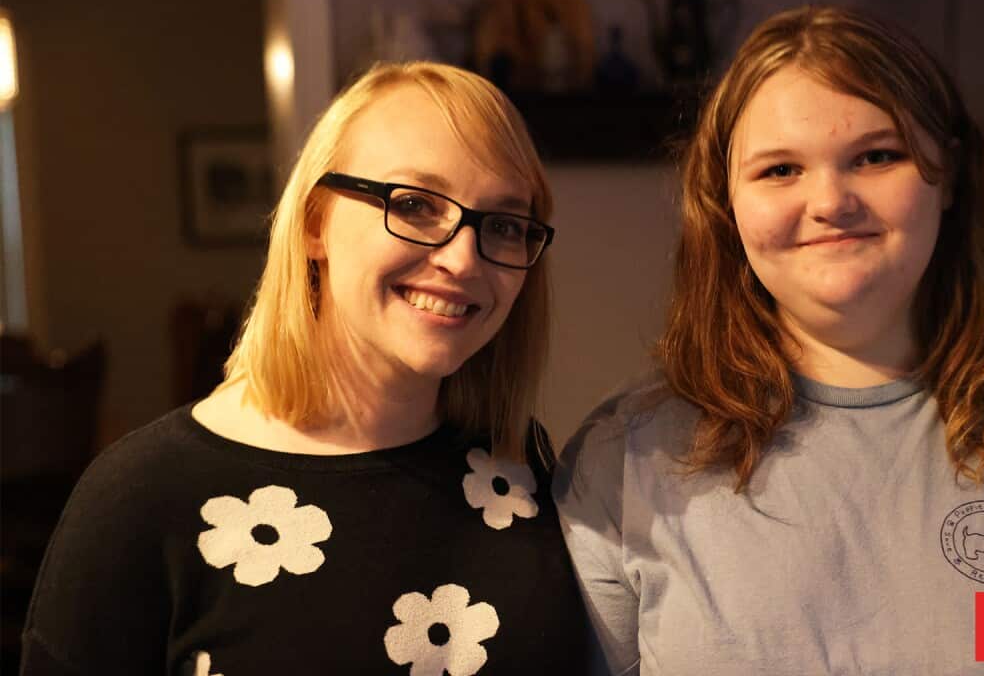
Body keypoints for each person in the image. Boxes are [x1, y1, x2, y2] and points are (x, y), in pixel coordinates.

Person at [555, 6, 984, 675]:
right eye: (779, 169)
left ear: (948, 176)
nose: (829, 201)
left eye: (876, 156)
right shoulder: (628, 455)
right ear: (724, 201)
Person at [23, 62, 589, 675]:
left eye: (504, 225)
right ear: (316, 222)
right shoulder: (140, 497)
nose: (462, 259)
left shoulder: (522, 466)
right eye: (417, 205)